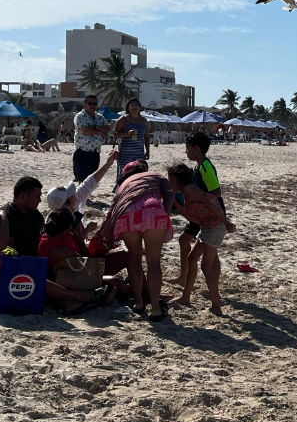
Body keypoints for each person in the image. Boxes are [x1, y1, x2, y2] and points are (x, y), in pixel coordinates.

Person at [98, 160, 174, 320]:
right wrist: (165, 212)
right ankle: (155, 309)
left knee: (134, 257)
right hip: (153, 210)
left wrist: (103, 232)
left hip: (127, 214)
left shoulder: (123, 185)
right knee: (153, 261)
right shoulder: (157, 175)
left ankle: (138, 303)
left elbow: (112, 209)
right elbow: (170, 194)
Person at [167, 163, 236, 314]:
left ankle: (216, 306)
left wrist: (226, 222)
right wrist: (173, 201)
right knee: (192, 260)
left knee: (206, 266)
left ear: (174, 179)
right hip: (208, 227)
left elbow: (211, 204)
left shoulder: (191, 189)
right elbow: (189, 216)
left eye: (169, 179)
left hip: (215, 226)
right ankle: (185, 297)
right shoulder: (185, 192)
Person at [0, 177, 44, 257]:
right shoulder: (5, 216)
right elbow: (7, 250)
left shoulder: (36, 215)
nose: (40, 200)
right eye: (37, 197)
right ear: (23, 196)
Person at [72, 95, 111, 182]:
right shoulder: (80, 116)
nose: (93, 106)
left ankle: (87, 195)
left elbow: (108, 128)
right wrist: (100, 131)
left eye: (95, 104)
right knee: (82, 179)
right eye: (90, 103)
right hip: (82, 151)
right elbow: (85, 131)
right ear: (84, 104)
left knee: (92, 179)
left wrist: (94, 127)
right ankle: (82, 195)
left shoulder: (100, 117)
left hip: (95, 152)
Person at [114, 97, 150, 185]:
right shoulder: (123, 119)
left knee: (139, 175)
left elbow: (147, 136)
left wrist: (148, 151)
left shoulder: (144, 121)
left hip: (139, 153)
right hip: (125, 154)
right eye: (132, 105)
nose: (134, 107)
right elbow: (115, 134)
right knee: (124, 175)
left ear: (140, 108)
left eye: (136, 105)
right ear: (128, 108)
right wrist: (127, 134)